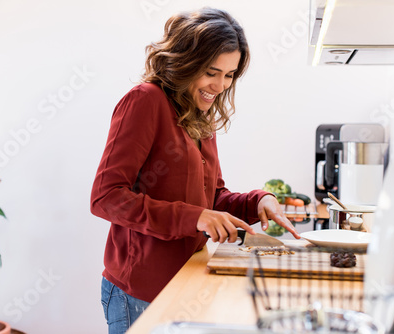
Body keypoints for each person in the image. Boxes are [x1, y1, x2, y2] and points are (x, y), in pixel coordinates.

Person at [91, 7, 300, 334]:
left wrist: (258, 201)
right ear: (185, 63)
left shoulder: (199, 116)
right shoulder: (145, 101)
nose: (220, 86)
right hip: (138, 294)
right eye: (211, 72)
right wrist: (194, 217)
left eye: (229, 75)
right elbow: (106, 198)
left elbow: (212, 198)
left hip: (187, 281)